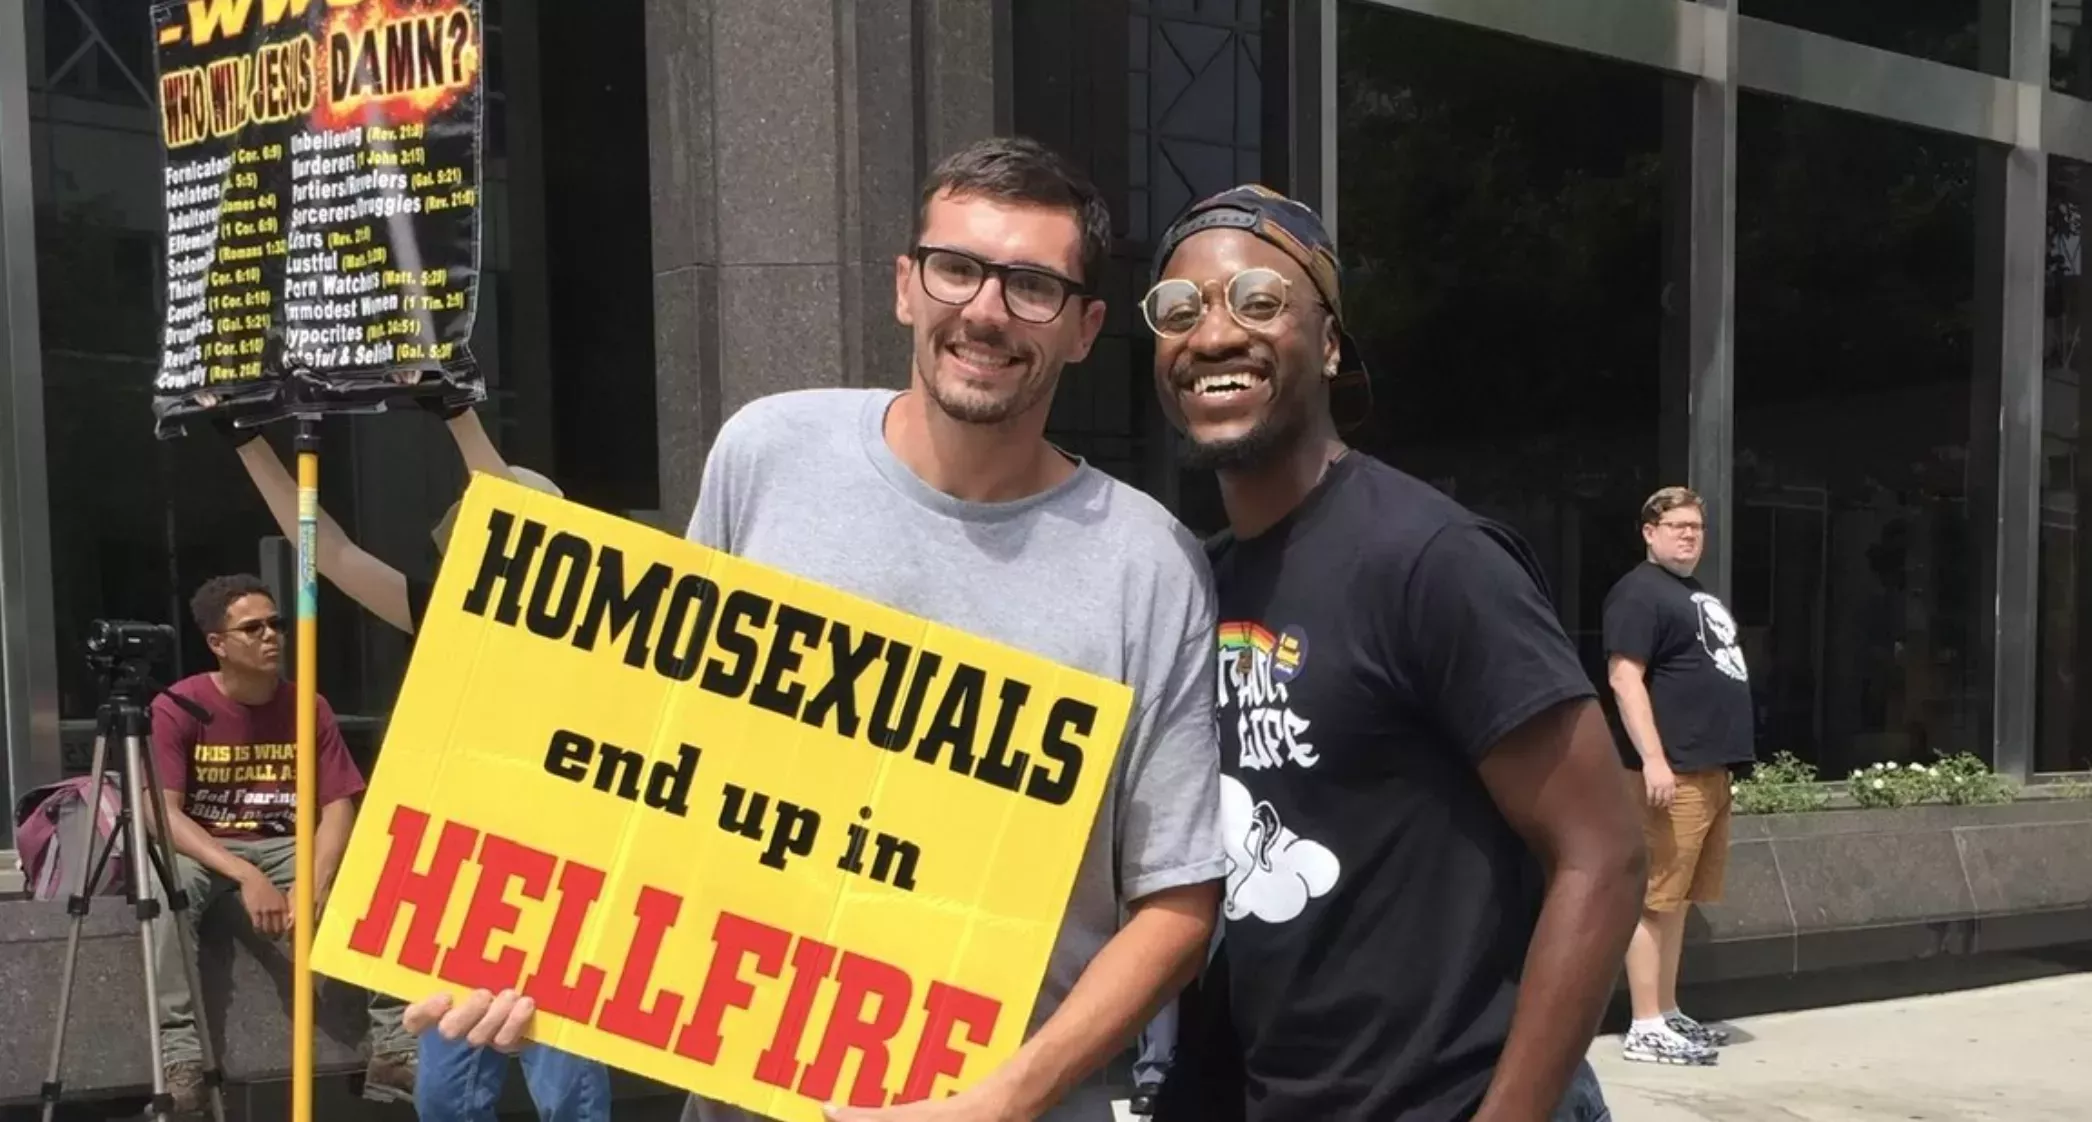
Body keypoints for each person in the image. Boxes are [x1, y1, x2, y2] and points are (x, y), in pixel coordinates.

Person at [406, 134, 1227, 1122]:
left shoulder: (1151, 563)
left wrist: (1006, 1100)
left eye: (1030, 286)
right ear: (905, 285)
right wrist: (533, 948)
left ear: (1085, 327)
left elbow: (1177, 902)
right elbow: (655, 744)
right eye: (956, 268)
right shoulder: (768, 451)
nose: (984, 310)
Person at [1142, 185, 1646, 1122]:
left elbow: (1605, 853)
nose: (1213, 336)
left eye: (1258, 300)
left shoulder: (1430, 560)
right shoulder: (1194, 582)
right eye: (1180, 310)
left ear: (1329, 343)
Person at [224, 397, 612, 1120]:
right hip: (463, 883)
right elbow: (330, 555)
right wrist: (248, 445)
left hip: (559, 882)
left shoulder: (588, 634)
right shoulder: (444, 611)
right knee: (447, 1098)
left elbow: (527, 530)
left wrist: (461, 415)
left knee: (567, 1092)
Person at [148, 574, 415, 1110]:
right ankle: (180, 1059)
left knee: (377, 874)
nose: (271, 636)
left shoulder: (307, 705)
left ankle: (395, 1048)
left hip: (286, 841)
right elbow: (162, 817)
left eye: (277, 624)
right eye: (252, 628)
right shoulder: (179, 706)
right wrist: (248, 877)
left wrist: (315, 882)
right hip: (207, 843)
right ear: (217, 644)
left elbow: (339, 804)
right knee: (166, 892)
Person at [1601, 485, 1752, 1066]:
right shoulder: (1639, 594)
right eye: (1677, 526)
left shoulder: (1688, 593)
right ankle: (1644, 1023)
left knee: (1681, 899)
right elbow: (1624, 678)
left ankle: (1666, 1010)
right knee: (1656, 900)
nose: (1689, 535)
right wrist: (1654, 759)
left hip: (1710, 772)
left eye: (1696, 527)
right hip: (1672, 773)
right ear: (1649, 532)